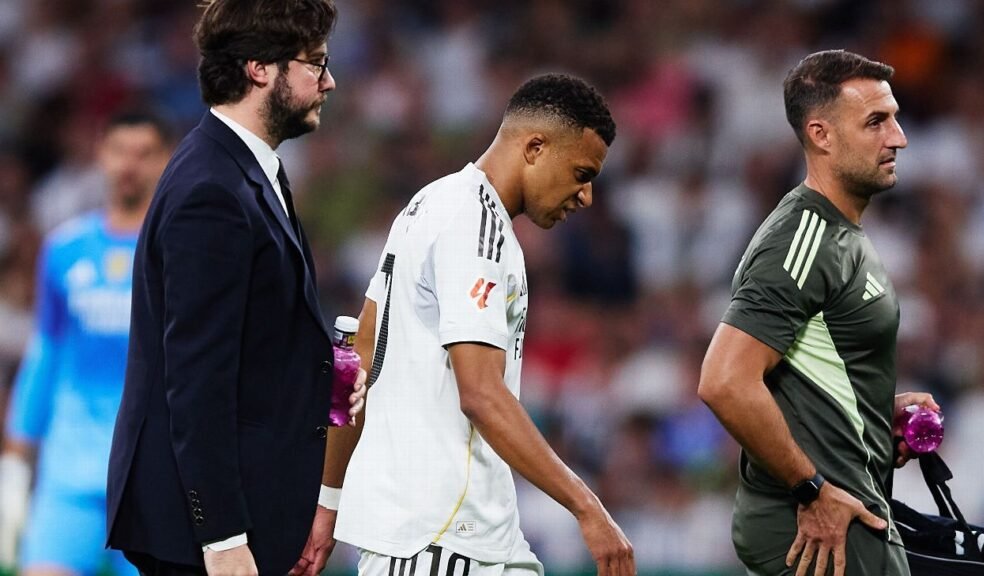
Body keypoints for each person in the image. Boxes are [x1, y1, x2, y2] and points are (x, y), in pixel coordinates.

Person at [327, 73, 635, 576]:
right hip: (439, 538)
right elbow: (481, 394)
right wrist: (588, 507)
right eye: (582, 173)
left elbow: (356, 359)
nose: (586, 196)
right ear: (535, 147)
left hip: (474, 535)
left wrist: (328, 499)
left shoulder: (429, 203)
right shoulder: (475, 226)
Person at [105, 1, 363, 575]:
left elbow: (254, 341)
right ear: (259, 68)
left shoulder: (246, 170)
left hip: (244, 512)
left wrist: (325, 372)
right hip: (204, 536)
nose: (329, 82)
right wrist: (221, 536)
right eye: (316, 64)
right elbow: (195, 380)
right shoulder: (212, 191)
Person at [698, 50, 940, 576]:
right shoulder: (802, 240)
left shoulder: (841, 234)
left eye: (895, 118)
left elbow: (805, 374)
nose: (898, 138)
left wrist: (875, 411)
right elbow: (725, 381)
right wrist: (811, 489)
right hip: (821, 528)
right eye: (876, 122)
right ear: (821, 135)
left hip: (849, 514)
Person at [0, 111, 172, 576]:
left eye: (144, 153)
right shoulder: (64, 248)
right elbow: (46, 352)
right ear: (101, 156)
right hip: (69, 473)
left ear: (166, 160)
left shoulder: (178, 254)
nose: (129, 165)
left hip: (151, 480)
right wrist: (15, 459)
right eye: (119, 151)